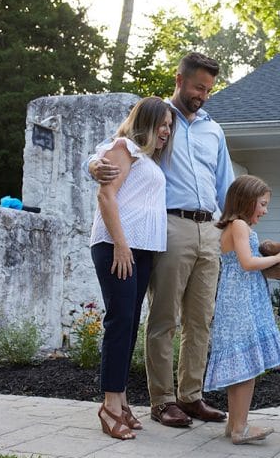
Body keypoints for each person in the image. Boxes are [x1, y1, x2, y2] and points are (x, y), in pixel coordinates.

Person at [90, 52, 234, 427]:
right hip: (168, 226)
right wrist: (92, 164)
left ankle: (191, 396)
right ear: (180, 79)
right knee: (164, 316)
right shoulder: (156, 119)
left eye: (209, 89)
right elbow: (118, 148)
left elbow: (226, 186)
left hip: (209, 229)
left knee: (201, 319)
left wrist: (235, 230)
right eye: (198, 86)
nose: (203, 94)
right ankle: (162, 400)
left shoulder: (212, 130)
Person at [90, 96, 174, 440]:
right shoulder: (123, 147)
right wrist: (121, 245)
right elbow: (106, 197)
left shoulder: (148, 159)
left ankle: (121, 400)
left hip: (140, 250)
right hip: (116, 246)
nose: (167, 131)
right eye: (162, 124)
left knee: (129, 322)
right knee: (120, 320)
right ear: (146, 122)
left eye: (170, 126)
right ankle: (110, 406)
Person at [203, 175, 280, 444]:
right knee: (247, 367)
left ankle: (234, 424)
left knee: (240, 366)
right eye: (263, 204)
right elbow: (246, 262)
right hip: (241, 301)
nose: (265, 210)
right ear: (247, 200)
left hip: (238, 298)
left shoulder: (233, 226)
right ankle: (240, 429)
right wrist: (279, 257)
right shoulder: (240, 225)